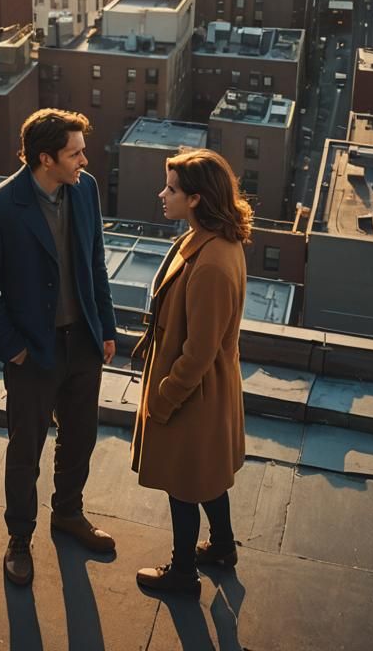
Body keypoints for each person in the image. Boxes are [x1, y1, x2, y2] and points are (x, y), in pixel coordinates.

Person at [0, 109, 118, 586]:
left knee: (81, 438)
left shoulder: (86, 189)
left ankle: (68, 515)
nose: (84, 159)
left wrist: (107, 328)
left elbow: (95, 261)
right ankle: (19, 539)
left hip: (85, 344)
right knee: (25, 450)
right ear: (45, 158)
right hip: (33, 352)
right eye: (75, 153)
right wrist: (11, 347)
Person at [130, 148, 251, 597]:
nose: (163, 194)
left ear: (196, 198)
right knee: (207, 475)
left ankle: (182, 575)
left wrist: (163, 398)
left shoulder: (213, 263)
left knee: (184, 487)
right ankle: (221, 546)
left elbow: (198, 353)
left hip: (192, 398)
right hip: (207, 394)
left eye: (172, 189)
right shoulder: (209, 239)